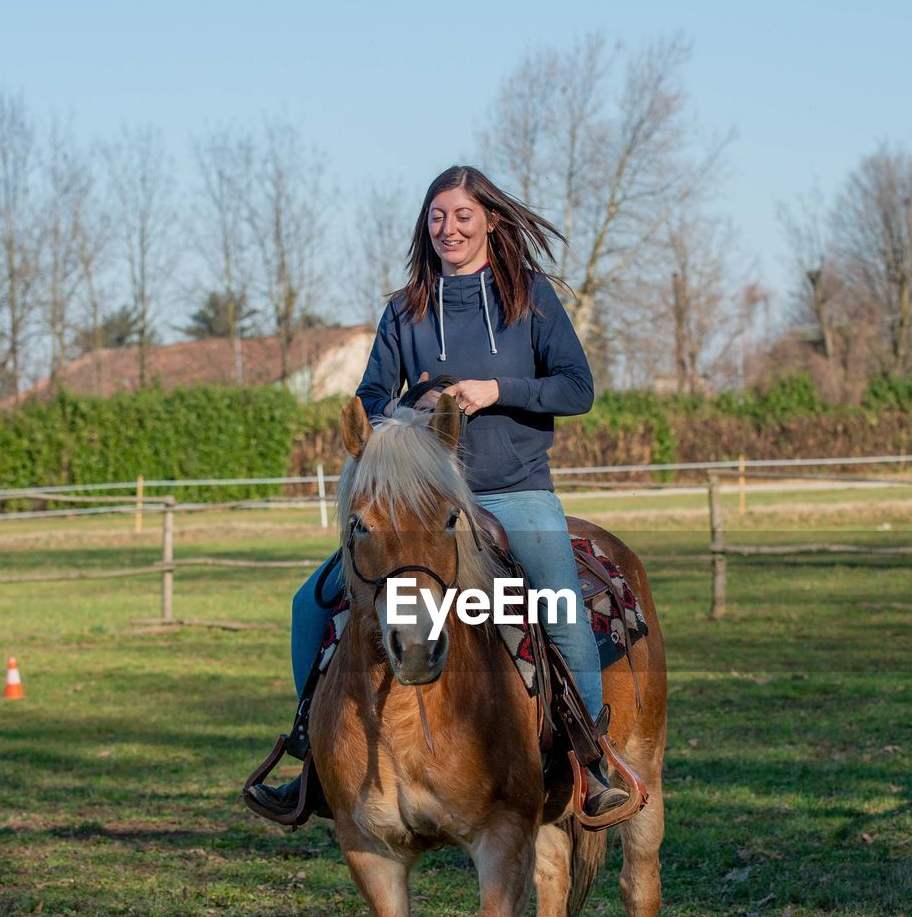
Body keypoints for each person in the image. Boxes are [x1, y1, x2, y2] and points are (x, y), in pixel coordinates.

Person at [245, 165, 628, 823]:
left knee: (564, 615)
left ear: (491, 222)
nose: (448, 228)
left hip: (513, 493)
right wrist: (407, 402)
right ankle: (312, 757)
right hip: (422, 509)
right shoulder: (405, 309)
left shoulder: (530, 299)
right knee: (310, 608)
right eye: (437, 217)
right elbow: (369, 400)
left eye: (462, 216)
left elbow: (576, 388)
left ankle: (591, 762)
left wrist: (496, 391)